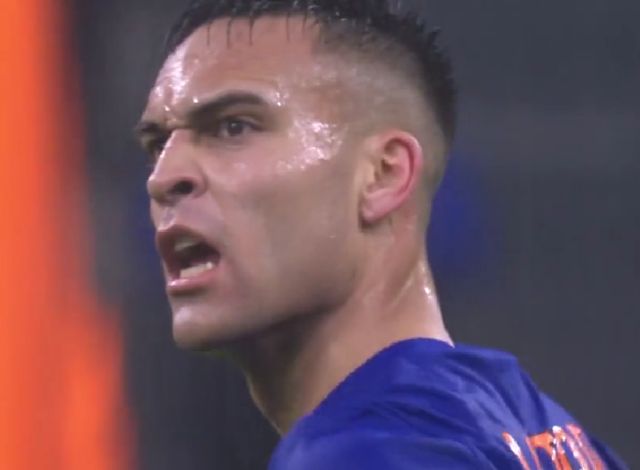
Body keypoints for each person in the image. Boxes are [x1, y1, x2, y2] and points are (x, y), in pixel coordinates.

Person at [135, 1, 627, 468]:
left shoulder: (365, 450)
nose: (163, 177)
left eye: (233, 127)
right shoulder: (549, 436)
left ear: (384, 175)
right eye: (158, 144)